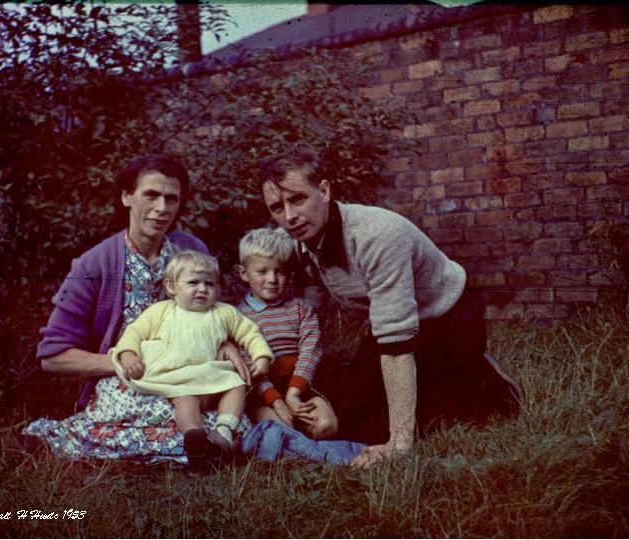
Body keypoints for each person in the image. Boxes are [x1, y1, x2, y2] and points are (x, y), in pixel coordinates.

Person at [257, 147, 522, 469]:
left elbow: (397, 345)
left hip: (449, 320)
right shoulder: (299, 242)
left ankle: (486, 379)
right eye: (277, 207)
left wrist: (399, 442)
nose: (289, 216)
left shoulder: (377, 236)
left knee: (419, 423)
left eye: (298, 199)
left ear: (324, 191)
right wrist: (298, 388)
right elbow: (309, 321)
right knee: (347, 416)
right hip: (391, 328)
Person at [30, 154, 251, 464]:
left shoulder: (192, 250)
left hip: (189, 375)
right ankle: (70, 438)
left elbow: (211, 310)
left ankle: (186, 445)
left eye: (171, 198)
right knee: (201, 422)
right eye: (151, 195)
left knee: (230, 413)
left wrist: (223, 340)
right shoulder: (95, 264)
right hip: (131, 382)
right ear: (126, 197)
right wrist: (126, 362)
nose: (162, 208)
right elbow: (52, 358)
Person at [111, 250, 273, 463]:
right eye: (193, 283)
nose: (202, 289)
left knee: (237, 385)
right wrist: (128, 354)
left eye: (210, 284)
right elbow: (134, 333)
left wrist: (261, 356)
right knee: (185, 402)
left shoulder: (224, 312)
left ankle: (223, 430)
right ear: (171, 287)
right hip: (178, 379)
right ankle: (194, 437)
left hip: (211, 375)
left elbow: (249, 332)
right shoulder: (162, 311)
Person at [236, 227, 338, 440]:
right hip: (264, 394)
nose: (272, 279)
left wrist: (294, 393)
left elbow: (311, 351)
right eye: (262, 271)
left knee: (327, 426)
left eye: (280, 271)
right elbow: (247, 364)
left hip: (301, 387)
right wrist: (277, 400)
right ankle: (292, 441)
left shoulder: (301, 308)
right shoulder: (238, 317)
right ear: (244, 273)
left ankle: (303, 440)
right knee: (279, 429)